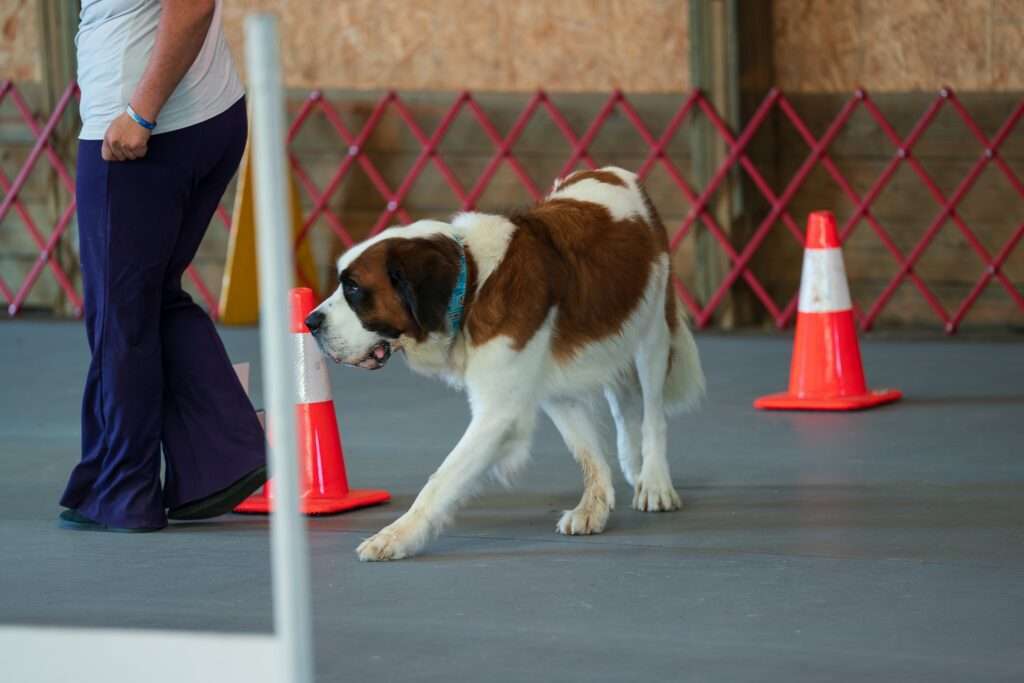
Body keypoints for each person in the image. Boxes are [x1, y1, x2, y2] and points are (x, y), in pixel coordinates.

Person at [59, 0, 266, 532]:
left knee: (120, 315)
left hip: (142, 134)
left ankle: (126, 492)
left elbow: (193, 5)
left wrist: (140, 114)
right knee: (149, 300)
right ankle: (223, 459)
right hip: (204, 117)